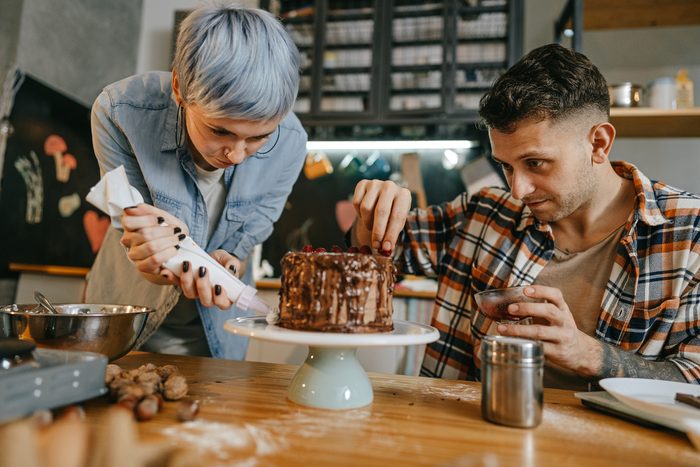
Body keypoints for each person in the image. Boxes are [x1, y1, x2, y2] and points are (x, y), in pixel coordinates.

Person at [350, 43, 700, 389]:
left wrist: (588, 354)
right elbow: (376, 252)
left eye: (535, 163)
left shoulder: (689, 235)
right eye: (506, 167)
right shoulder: (485, 213)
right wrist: (374, 213)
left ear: (599, 144)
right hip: (468, 437)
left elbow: (694, 377)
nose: (518, 190)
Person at [85, 5, 307, 359]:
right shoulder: (119, 113)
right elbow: (128, 220)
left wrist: (230, 262)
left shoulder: (292, 144)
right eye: (220, 130)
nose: (236, 154)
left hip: (218, 338)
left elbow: (243, 243)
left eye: (259, 137)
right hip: (124, 324)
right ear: (179, 88)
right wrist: (151, 252)